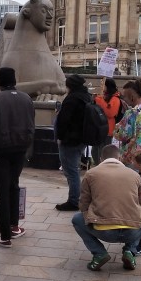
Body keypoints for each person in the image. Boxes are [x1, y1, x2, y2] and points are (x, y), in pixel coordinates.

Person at [71, 144, 141, 272]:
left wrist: (90, 217)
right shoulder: (134, 175)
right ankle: (130, 251)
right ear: (120, 158)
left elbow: (83, 204)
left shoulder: (91, 174)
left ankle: (99, 253)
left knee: (77, 219)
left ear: (101, 159)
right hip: (132, 231)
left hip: (104, 230)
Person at [0, 67, 35, 247]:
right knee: (14, 186)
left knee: (2, 192)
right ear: (14, 80)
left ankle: (4, 236)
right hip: (20, 150)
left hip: (3, 151)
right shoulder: (26, 98)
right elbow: (31, 124)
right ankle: (14, 226)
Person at [54, 74, 91, 211]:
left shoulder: (72, 99)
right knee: (73, 169)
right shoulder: (86, 97)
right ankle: (78, 198)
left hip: (70, 139)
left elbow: (64, 120)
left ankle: (74, 200)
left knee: (71, 170)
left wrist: (60, 137)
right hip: (81, 138)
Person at [94, 77, 123, 166]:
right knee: (95, 151)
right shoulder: (105, 98)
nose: (102, 87)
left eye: (104, 85)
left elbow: (110, 113)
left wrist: (100, 101)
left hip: (108, 130)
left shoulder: (115, 99)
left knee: (102, 152)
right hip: (100, 129)